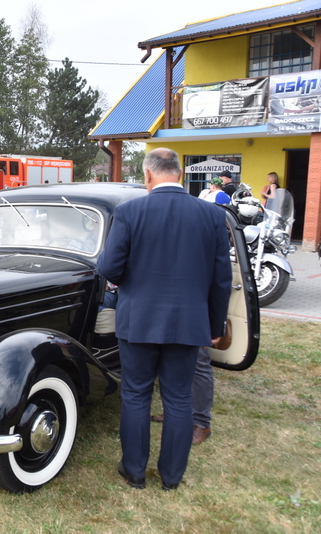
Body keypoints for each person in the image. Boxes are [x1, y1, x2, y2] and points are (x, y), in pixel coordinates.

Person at [97, 148, 231, 491]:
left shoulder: (130, 211)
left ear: (147, 175)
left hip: (138, 319)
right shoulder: (212, 215)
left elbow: (108, 268)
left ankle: (134, 471)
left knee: (137, 395)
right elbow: (221, 280)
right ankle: (172, 477)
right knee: (178, 398)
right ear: (180, 174)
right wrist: (214, 328)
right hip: (189, 323)